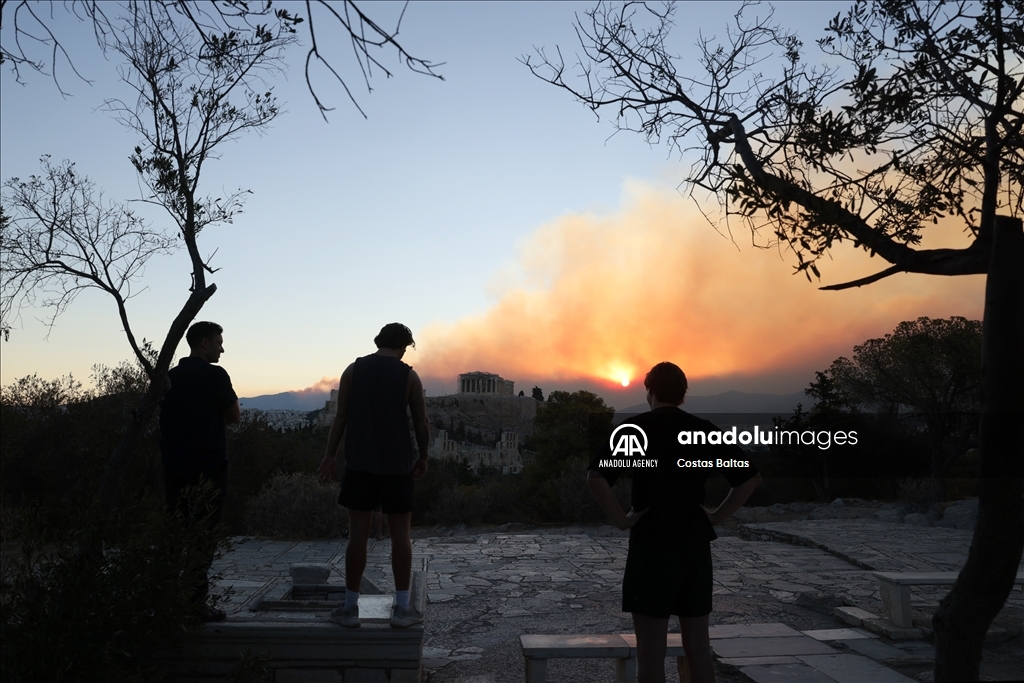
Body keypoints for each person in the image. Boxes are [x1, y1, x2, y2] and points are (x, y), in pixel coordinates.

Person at [588, 362, 761, 683]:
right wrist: (716, 516)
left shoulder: (633, 429)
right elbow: (750, 478)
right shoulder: (704, 430)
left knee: (650, 655)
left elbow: (597, 476)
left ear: (649, 390)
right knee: (698, 649)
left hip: (651, 546)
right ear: (683, 394)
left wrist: (622, 521)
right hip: (694, 547)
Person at [318, 322, 430, 629]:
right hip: (397, 465)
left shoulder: (353, 371)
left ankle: (350, 607)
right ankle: (403, 607)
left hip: (359, 462)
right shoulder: (409, 376)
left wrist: (330, 455)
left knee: (357, 535)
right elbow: (421, 421)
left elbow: (340, 416)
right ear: (404, 346)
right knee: (400, 537)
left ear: (379, 341)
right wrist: (423, 456)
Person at [159, 320, 241, 622]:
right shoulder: (215, 375)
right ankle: (195, 603)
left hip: (174, 465)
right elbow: (235, 416)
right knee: (203, 535)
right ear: (204, 343)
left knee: (175, 533)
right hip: (208, 466)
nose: (222, 347)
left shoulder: (170, 376)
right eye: (219, 342)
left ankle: (165, 598)